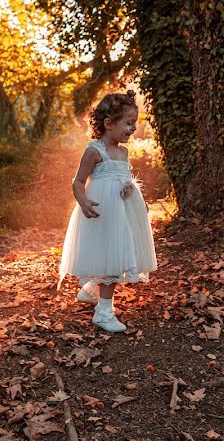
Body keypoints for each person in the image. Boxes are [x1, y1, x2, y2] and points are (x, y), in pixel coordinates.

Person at [58, 90, 158, 332]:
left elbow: (123, 178)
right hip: (102, 210)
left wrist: (131, 190)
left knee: (115, 253)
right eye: (129, 123)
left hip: (121, 210)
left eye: (135, 123)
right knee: (110, 257)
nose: (134, 128)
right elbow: (77, 181)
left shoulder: (123, 152)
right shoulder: (95, 151)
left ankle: (92, 290)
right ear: (108, 124)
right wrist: (83, 202)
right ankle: (103, 312)